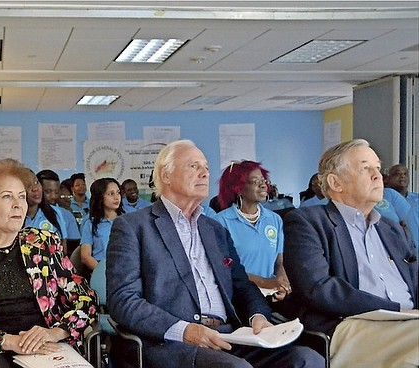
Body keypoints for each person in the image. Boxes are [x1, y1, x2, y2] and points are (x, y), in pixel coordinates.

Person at [107, 140, 324, 368]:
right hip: (171, 342)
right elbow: (123, 300)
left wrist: (257, 316)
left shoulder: (215, 230)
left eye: (206, 167)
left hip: (229, 337)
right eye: (194, 166)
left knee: (307, 360)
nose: (204, 173)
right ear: (166, 175)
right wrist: (185, 330)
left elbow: (242, 286)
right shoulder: (133, 227)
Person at [0, 158, 98, 368]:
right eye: (7, 197)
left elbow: (86, 299)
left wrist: (55, 332)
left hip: (43, 343)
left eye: (21, 196)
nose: (18, 204)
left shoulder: (44, 243)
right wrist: (8, 341)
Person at [283, 139, 418, 368]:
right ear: (336, 182)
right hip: (350, 323)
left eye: (378, 168)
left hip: (409, 321)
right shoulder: (308, 222)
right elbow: (318, 288)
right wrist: (397, 310)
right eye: (366, 168)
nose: (378, 176)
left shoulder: (391, 228)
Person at [214, 161, 291, 302]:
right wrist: (265, 282)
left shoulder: (274, 219)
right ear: (238, 188)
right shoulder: (220, 222)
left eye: (264, 180)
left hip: (269, 297)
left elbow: (278, 262)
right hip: (237, 298)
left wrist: (282, 283)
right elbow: (226, 269)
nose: (263, 185)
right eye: (255, 182)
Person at [80, 178, 123, 272]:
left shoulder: (128, 220)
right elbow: (85, 256)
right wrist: (103, 273)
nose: (117, 197)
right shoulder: (90, 223)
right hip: (100, 270)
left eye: (118, 192)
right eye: (111, 194)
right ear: (100, 197)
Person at [36, 170, 81, 256]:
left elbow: (74, 249)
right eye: (47, 192)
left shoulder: (65, 215)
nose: (53, 196)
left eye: (56, 192)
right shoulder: (26, 214)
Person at [386, 164, 418, 251]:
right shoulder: (385, 196)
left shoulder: (417, 198)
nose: (402, 176)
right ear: (388, 178)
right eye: (397, 174)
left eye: (405, 174)